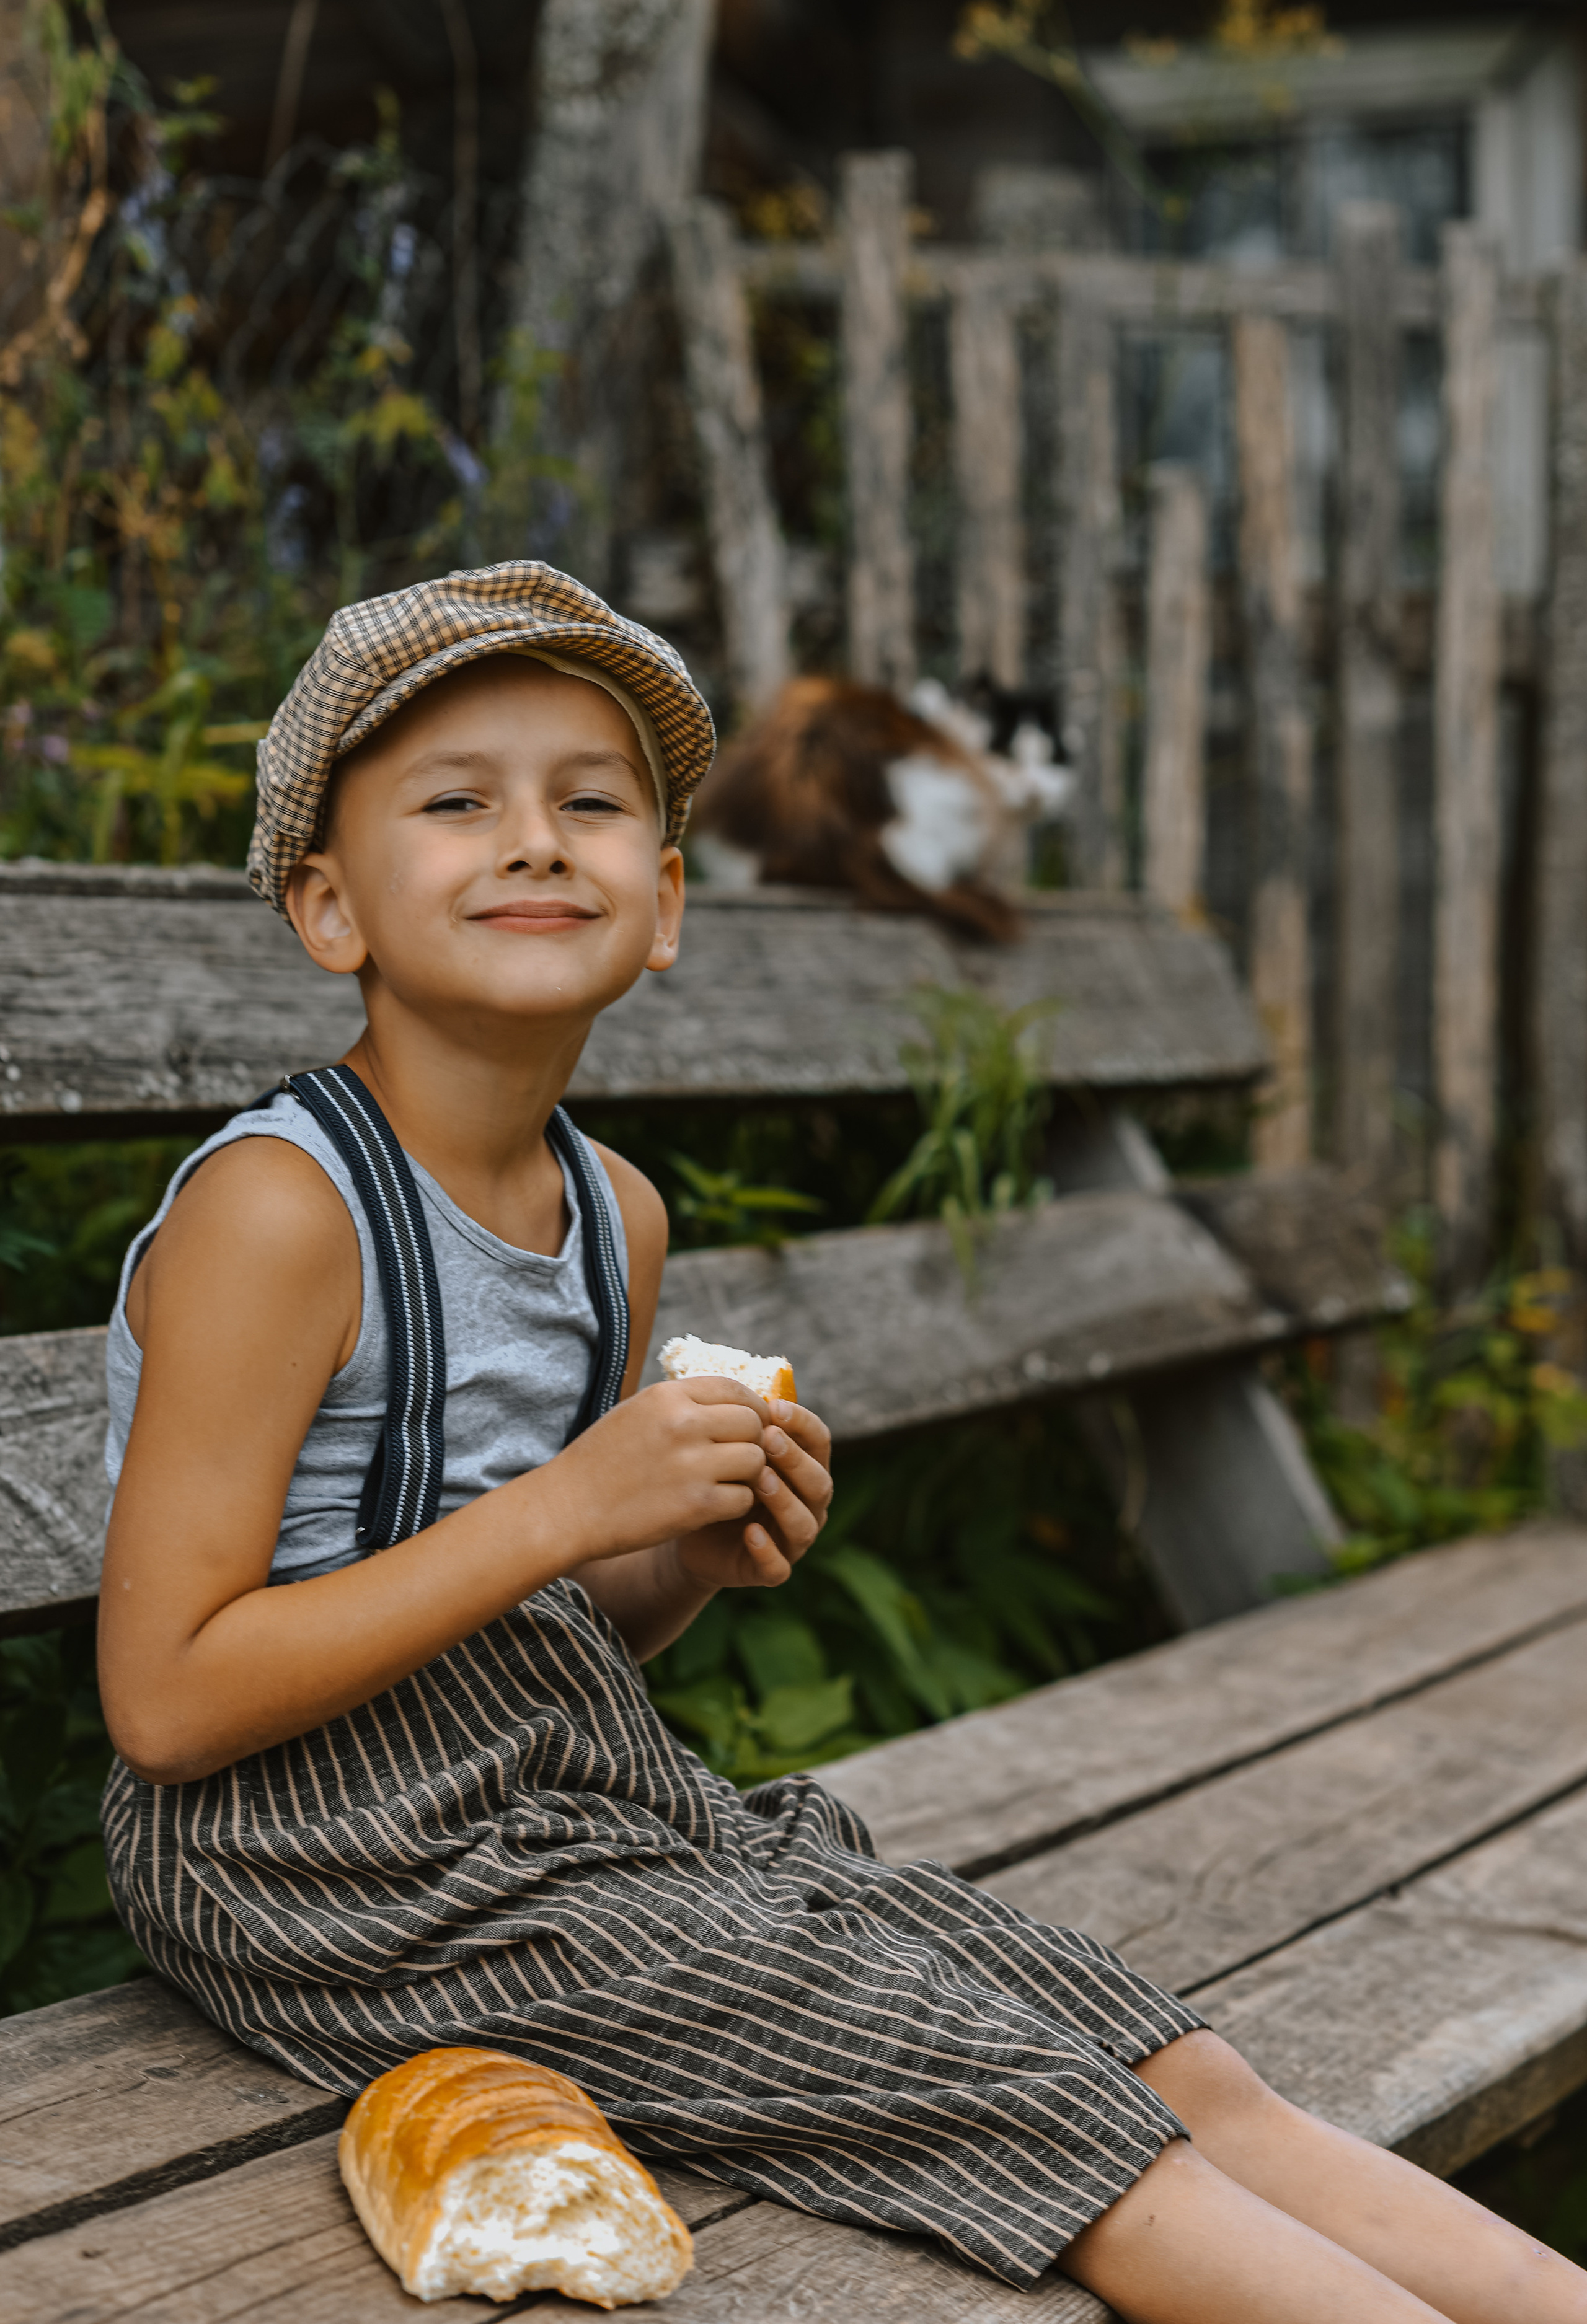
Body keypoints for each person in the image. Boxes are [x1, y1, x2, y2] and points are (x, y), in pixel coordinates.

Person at [98, 561, 1585, 2323]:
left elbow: (549, 1634)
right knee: (1014, 2103)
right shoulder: (283, 1213)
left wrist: (672, 1557)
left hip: (573, 1811)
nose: (531, 838)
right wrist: (575, 1506)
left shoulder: (613, 1216)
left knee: (1150, 2055)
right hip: (317, 1863)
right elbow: (171, 1702)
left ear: (662, 907)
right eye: (455, 801)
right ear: (331, 908)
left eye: (589, 801)